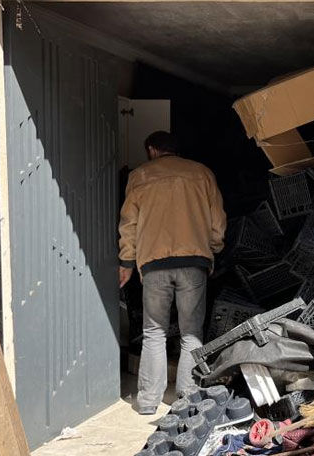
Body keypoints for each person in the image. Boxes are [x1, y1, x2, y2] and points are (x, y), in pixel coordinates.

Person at [118, 131, 226, 415]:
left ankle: (147, 401)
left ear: (152, 150)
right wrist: (212, 248)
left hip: (154, 264)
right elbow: (217, 222)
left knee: (154, 332)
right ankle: (186, 398)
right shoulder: (202, 173)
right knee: (192, 332)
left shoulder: (140, 176)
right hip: (194, 262)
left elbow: (129, 224)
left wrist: (126, 262)